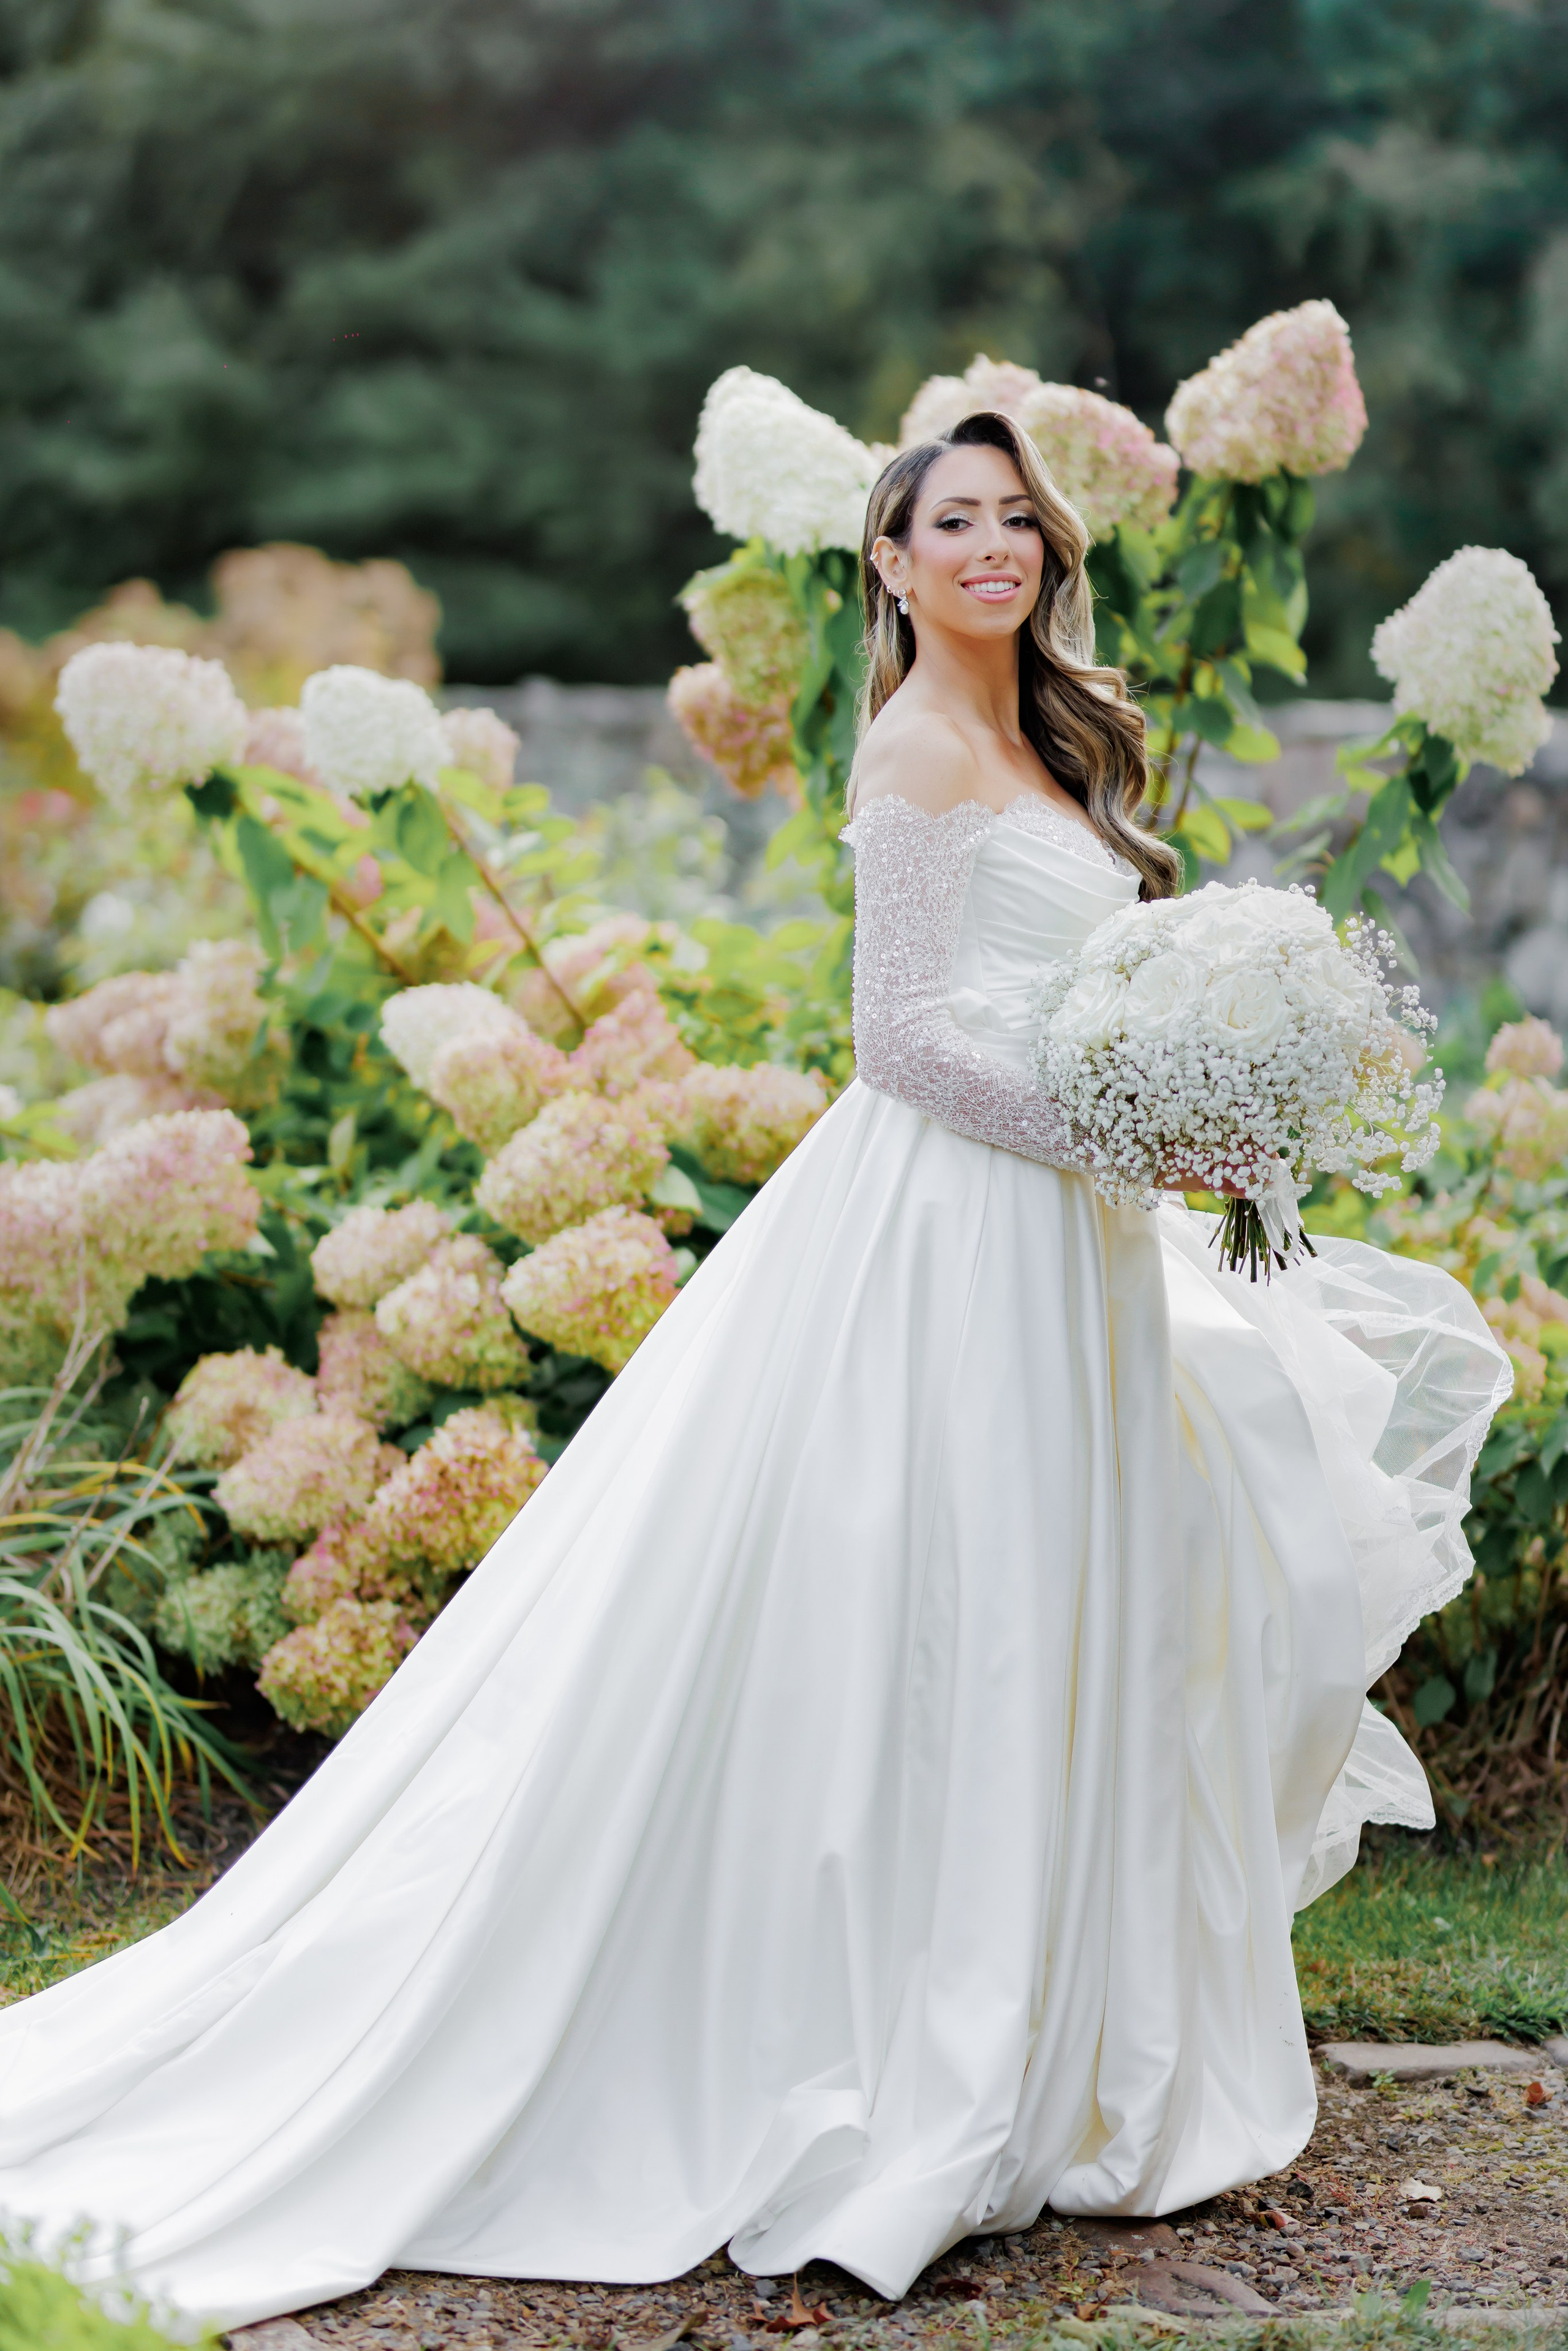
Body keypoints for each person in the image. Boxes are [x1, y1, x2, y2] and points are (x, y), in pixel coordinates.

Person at [0, 414, 1507, 2328]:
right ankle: (898, 2039)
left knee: (1072, 1600)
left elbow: (1059, 1000)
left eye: (1013, 518)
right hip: (952, 1240)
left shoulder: (1058, 739)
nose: (991, 546)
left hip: (1072, 1248)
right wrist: (1134, 1128)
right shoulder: (912, 745)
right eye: (948, 522)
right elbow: (902, 1048)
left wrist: (1203, 1098)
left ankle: (1059, 2027)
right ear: (885, 563)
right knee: (952, 1600)